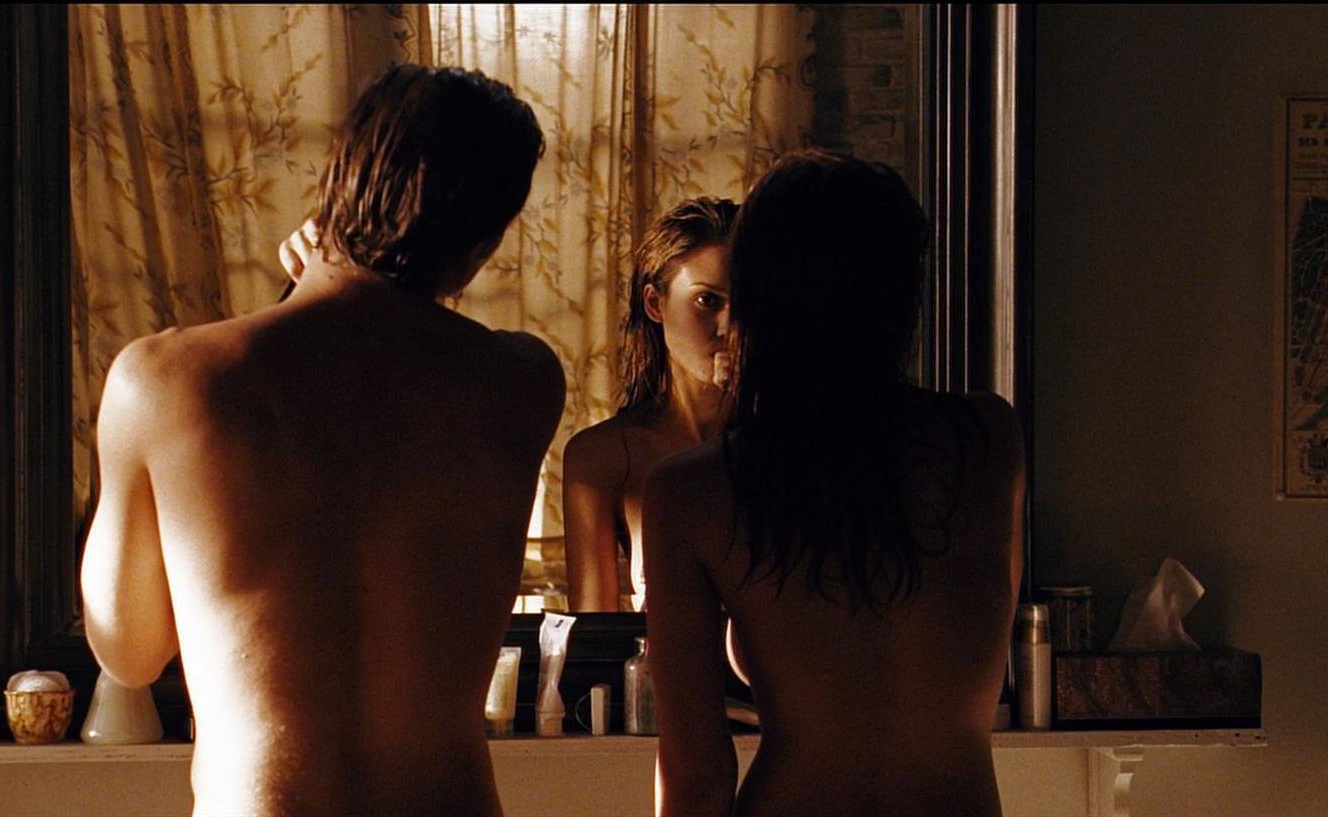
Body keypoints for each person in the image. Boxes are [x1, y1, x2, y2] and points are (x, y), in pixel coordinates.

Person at [80, 64, 563, 817]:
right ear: (483, 243)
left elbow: (129, 651)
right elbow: (375, 353)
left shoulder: (166, 381)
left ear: (335, 180)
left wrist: (306, 277)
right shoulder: (521, 382)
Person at [643, 150, 1025, 817]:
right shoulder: (989, 440)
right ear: (902, 296)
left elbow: (697, 778)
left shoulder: (696, 490)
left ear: (758, 297)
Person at [562, 197, 739, 612]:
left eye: (748, 302)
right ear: (655, 303)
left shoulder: (792, 445)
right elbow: (593, 631)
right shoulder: (604, 457)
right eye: (707, 301)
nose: (729, 326)